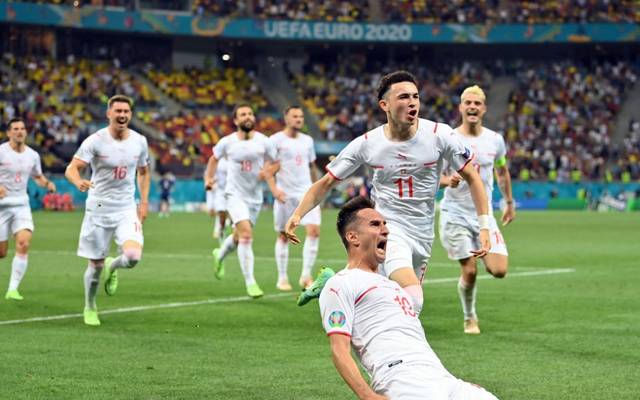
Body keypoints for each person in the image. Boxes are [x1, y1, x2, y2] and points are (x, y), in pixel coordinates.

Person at [285, 71, 491, 311]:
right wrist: (297, 214)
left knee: (394, 303)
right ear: (385, 105)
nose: (412, 102)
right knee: (414, 299)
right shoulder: (368, 143)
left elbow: (472, 177)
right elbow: (325, 183)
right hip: (388, 228)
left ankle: (332, 283)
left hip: (423, 232)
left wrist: (484, 226)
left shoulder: (440, 135)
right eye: (403, 97)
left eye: (415, 96)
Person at [319, 196, 499, 400]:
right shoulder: (341, 283)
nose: (385, 230)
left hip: (442, 376)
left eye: (385, 224)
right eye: (375, 224)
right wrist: (368, 396)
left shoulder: (392, 286)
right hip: (401, 377)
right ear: (353, 237)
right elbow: (339, 350)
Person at [65, 95, 150, 326]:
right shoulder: (95, 141)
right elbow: (72, 168)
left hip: (126, 208)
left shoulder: (140, 141)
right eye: (118, 111)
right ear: (109, 114)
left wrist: (143, 202)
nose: (122, 115)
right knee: (95, 266)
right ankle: (90, 306)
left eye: (126, 111)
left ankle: (114, 266)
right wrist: (78, 181)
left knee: (133, 256)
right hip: (99, 208)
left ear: (130, 115)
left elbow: (143, 171)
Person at [439, 86, 516, 334]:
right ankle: (469, 317)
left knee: (499, 270)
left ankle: (480, 253)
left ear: (484, 109)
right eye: (468, 102)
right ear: (461, 107)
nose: (472, 107)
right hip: (455, 214)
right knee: (470, 270)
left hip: (484, 216)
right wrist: (446, 181)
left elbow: (502, 171)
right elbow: (430, 174)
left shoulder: (495, 140)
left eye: (477, 103)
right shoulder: (449, 138)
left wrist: (509, 202)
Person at [204, 104, 280, 299]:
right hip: (234, 195)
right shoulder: (227, 142)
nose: (247, 117)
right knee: (246, 234)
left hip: (254, 197)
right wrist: (208, 179)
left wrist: (268, 171)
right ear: (235, 120)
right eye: (243, 114)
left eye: (250, 114)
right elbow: (213, 159)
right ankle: (250, 282)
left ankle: (220, 254)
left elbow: (276, 162)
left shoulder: (264, 141)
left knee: (239, 237)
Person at [0, 118, 56, 300]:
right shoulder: (1, 152)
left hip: (21, 206)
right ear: (9, 133)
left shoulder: (33, 155)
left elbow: (37, 176)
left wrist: (47, 184)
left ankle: (12, 290)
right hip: (1, 208)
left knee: (24, 243)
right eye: (15, 128)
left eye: (22, 128)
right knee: (1, 253)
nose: (19, 131)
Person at [268, 106, 320, 291]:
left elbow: (312, 167)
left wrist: (317, 189)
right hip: (285, 195)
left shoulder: (308, 141)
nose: (299, 119)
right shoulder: (275, 140)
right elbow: (268, 168)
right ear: (286, 118)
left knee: (314, 231)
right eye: (295, 116)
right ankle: (282, 278)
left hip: (306, 193)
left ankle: (306, 276)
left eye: (301, 116)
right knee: (283, 235)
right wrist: (274, 190)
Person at [205, 155, 229, 242]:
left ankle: (223, 227)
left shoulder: (235, 159)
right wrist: (210, 182)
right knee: (220, 211)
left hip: (233, 190)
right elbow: (211, 174)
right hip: (220, 190)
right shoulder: (218, 161)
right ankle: (222, 227)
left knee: (231, 212)